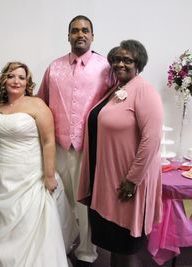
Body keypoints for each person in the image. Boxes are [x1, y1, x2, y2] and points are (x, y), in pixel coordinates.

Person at [77, 40, 163, 267]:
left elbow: (152, 140)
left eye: (127, 59)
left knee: (125, 249)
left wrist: (132, 180)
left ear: (139, 64)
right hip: (107, 180)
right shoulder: (116, 91)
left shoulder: (145, 91)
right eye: (116, 59)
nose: (120, 64)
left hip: (126, 184)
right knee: (115, 246)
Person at [38, 15, 111, 267]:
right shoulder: (54, 67)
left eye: (85, 30)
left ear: (92, 36)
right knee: (60, 199)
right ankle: (63, 243)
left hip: (90, 148)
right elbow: (42, 103)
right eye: (75, 30)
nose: (80, 34)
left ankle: (87, 250)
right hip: (58, 146)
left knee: (86, 202)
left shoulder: (106, 67)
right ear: (68, 35)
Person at [0, 62, 70, 267]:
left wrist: (49, 175)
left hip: (30, 173)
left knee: (29, 221)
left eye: (21, 77)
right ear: (4, 79)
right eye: (11, 76)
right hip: (1, 171)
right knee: (1, 219)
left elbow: (48, 141)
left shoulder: (37, 105)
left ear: (27, 82)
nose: (16, 81)